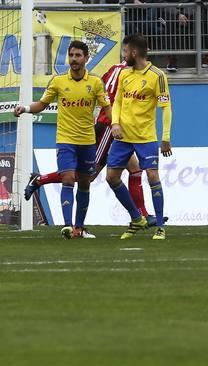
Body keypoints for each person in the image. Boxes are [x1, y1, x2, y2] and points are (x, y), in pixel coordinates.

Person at [12, 39, 110, 238]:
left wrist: (115, 123)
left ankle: (78, 228)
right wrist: (26, 109)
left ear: (86, 58)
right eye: (71, 55)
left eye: (78, 55)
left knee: (85, 182)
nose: (73, 59)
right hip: (65, 138)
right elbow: (42, 103)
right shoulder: (58, 81)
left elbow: (106, 108)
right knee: (68, 177)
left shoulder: (95, 83)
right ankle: (66, 225)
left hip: (88, 141)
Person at [106, 33, 171, 239]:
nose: (123, 55)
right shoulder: (125, 74)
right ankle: (136, 218)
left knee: (152, 176)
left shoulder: (157, 76)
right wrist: (115, 123)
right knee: (111, 177)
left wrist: (166, 138)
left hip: (145, 138)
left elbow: (166, 107)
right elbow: (116, 101)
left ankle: (160, 226)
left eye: (125, 51)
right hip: (123, 137)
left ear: (134, 52)